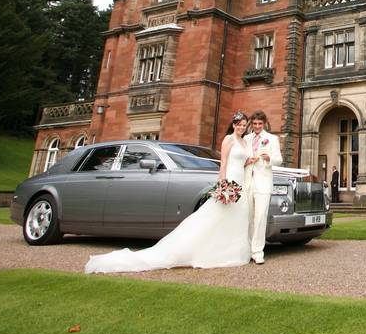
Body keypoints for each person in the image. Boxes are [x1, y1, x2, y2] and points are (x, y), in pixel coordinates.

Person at [84, 112, 253, 273]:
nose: (241, 127)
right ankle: (194, 251)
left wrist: (252, 160)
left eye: (244, 125)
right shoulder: (228, 140)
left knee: (235, 217)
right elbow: (223, 163)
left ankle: (230, 252)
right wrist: (222, 183)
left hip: (241, 183)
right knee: (213, 217)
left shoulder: (244, 142)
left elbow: (241, 161)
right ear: (233, 125)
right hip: (230, 181)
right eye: (239, 125)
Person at [244, 110, 283, 265]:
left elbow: (279, 159)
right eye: (255, 124)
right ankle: (247, 250)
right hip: (247, 181)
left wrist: (269, 159)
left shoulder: (272, 139)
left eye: (260, 124)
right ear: (251, 124)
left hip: (263, 182)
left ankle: (258, 252)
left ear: (264, 123)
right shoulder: (246, 139)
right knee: (248, 217)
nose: (257, 126)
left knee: (260, 217)